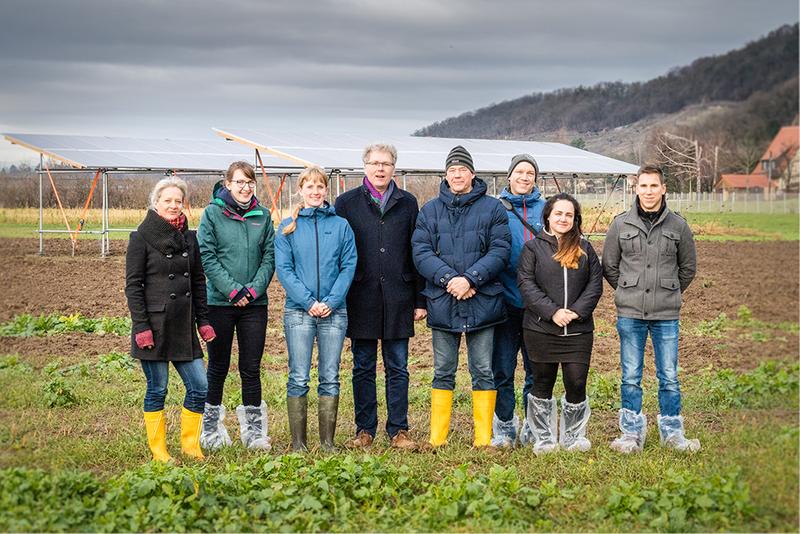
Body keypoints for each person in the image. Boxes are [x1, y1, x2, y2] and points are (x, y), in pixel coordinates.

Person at [412, 145, 511, 448]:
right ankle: (437, 438)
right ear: (446, 174)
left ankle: (483, 439)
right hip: (443, 301)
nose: (457, 175)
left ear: (472, 173)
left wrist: (470, 279)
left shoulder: (493, 208)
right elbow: (421, 251)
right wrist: (449, 279)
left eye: (462, 169)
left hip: (482, 301)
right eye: (452, 170)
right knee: (443, 370)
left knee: (483, 370)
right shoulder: (430, 210)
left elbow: (500, 249)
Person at [334, 143, 426, 451]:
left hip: (399, 295)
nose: (380, 168)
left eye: (386, 163)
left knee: (398, 366)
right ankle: (365, 429)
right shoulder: (346, 203)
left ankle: (398, 429)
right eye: (374, 163)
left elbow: (417, 251)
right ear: (364, 167)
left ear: (394, 168)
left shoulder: (408, 203)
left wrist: (419, 299)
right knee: (362, 366)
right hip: (360, 295)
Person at [602, 164, 700, 453]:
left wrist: (667, 292)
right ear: (636, 188)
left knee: (668, 375)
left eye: (653, 186)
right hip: (629, 313)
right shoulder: (620, 224)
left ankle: (672, 432)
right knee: (630, 375)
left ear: (663, 188)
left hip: (666, 314)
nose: (648, 191)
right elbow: (609, 266)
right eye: (643, 186)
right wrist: (627, 290)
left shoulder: (678, 226)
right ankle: (631, 433)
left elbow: (688, 268)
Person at [125, 177, 216, 462]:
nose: (174, 205)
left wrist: (203, 320)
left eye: (178, 201)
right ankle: (159, 451)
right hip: (155, 327)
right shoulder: (140, 237)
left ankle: (190, 446)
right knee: (158, 389)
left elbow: (199, 281)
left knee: (200, 386)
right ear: (156, 202)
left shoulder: (190, 237)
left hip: (183, 325)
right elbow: (133, 285)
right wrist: (141, 327)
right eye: (168, 200)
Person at [275, 166, 357, 452]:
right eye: (309, 186)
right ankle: (298, 443)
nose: (314, 191)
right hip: (299, 312)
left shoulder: (341, 226)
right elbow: (284, 270)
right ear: (300, 190)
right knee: (298, 375)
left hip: (334, 311)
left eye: (319, 186)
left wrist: (331, 301)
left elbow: (348, 266)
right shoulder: (288, 226)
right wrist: (309, 302)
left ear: (326, 190)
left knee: (330, 375)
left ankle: (327, 443)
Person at [197, 161, 275, 451]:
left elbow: (269, 256)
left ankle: (254, 432)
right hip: (219, 303)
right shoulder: (212, 214)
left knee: (251, 367)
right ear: (227, 184)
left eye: (250, 183)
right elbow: (207, 255)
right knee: (217, 366)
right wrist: (232, 289)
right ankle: (211, 430)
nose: (245, 188)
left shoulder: (263, 216)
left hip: (254, 305)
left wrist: (253, 290)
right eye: (239, 182)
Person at [517, 193, 603, 454]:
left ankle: (573, 437)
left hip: (578, 330)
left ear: (575, 219)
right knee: (541, 381)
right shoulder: (533, 248)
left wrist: (576, 312)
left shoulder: (585, 248)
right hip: (541, 328)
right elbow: (526, 284)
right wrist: (553, 312)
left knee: (576, 382)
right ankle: (543, 438)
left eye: (569, 215)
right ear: (548, 216)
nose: (563, 218)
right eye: (558, 213)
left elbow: (594, 285)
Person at [491, 154, 546, 447]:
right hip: (504, 299)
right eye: (520, 172)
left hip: (537, 303)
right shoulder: (495, 208)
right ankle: (504, 426)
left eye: (530, 173)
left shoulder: (547, 209)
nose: (525, 177)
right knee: (502, 367)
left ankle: (533, 426)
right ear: (509, 176)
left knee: (535, 368)